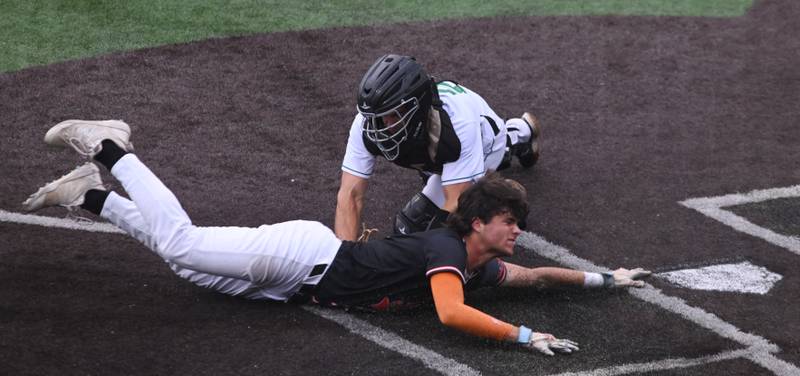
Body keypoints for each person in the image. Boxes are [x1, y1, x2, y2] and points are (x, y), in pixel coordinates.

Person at [23, 119, 651, 356]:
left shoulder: (480, 266)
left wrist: (605, 279)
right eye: (511, 222)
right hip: (304, 257)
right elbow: (452, 313)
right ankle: (111, 148)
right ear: (479, 220)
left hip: (292, 288)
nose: (519, 232)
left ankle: (93, 195)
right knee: (184, 244)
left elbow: (537, 277)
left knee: (185, 268)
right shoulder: (443, 250)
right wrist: (521, 336)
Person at [336, 54, 542, 240]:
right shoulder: (367, 124)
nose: (384, 126)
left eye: (393, 115)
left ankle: (506, 193)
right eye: (380, 118)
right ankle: (519, 131)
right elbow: (350, 196)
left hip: (487, 143)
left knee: (414, 228)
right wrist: (344, 260)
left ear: (417, 107)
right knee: (434, 176)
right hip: (437, 152)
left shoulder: (457, 123)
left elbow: (454, 205)